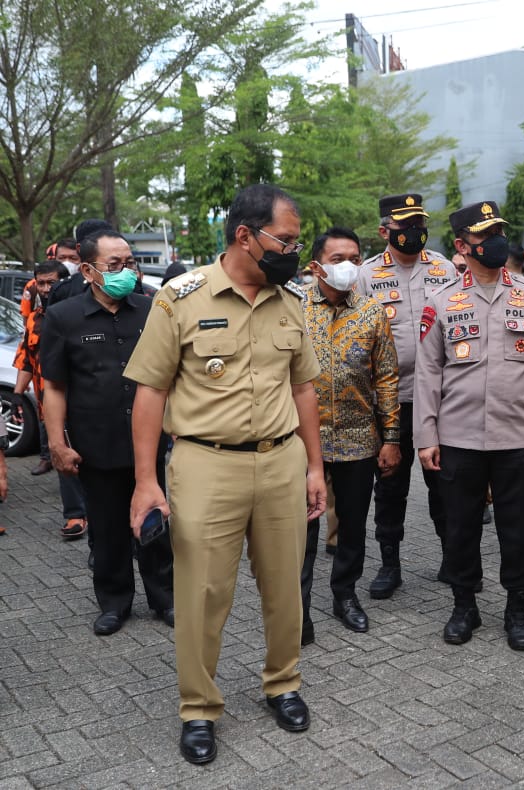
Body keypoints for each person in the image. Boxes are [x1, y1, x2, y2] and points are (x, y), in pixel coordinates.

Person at [126, 184, 326, 766]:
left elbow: (304, 388)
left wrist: (314, 467)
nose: (293, 250)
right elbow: (150, 391)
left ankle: (282, 683)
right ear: (246, 235)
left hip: (281, 460)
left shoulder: (291, 301)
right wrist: (146, 481)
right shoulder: (180, 298)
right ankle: (198, 708)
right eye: (285, 239)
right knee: (203, 594)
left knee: (285, 586)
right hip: (205, 462)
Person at [415, 200, 524, 650]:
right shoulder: (441, 302)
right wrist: (426, 436)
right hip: (458, 439)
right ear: (463, 247)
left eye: (499, 232)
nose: (498, 242)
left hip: (519, 437)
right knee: (460, 528)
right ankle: (465, 607)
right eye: (486, 236)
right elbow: (428, 374)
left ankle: (517, 610)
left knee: (519, 530)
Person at [38, 231, 175, 636]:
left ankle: (164, 597)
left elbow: (171, 378)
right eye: (113, 265)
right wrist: (57, 445)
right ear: (87, 270)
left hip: (148, 444)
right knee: (108, 528)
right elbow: (55, 387)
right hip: (95, 444)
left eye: (129, 263)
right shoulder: (64, 318)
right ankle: (114, 602)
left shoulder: (150, 311)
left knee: (154, 524)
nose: (125, 272)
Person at [299, 227, 401, 643]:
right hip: (302, 444)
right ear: (316, 265)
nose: (349, 267)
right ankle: (297, 610)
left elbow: (388, 377)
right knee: (299, 532)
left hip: (359, 440)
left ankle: (345, 595)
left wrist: (391, 438)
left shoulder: (372, 311)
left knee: (353, 526)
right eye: (338, 259)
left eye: (355, 259)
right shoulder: (292, 309)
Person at [357, 194, 457, 597]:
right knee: (391, 486)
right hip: (391, 401)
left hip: (439, 398)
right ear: (385, 231)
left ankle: (453, 558)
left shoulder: (444, 267)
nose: (414, 233)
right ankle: (389, 564)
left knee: (445, 484)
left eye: (419, 224)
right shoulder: (367, 275)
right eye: (405, 227)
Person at [14, 260, 89, 541]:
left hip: (86, 403)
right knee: (61, 454)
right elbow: (25, 361)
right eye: (41, 283)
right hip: (50, 403)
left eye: (51, 282)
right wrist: (17, 401)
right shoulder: (34, 320)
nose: (46, 289)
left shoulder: (81, 315)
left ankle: (99, 513)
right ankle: (74, 515)